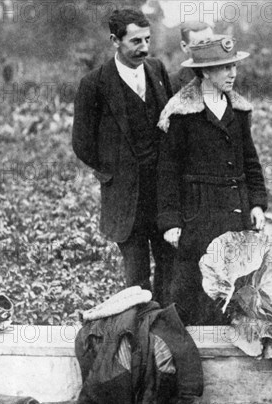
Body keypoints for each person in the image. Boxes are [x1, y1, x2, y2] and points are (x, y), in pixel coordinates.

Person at [157, 36, 268, 325]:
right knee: (197, 286)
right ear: (205, 71)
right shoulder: (181, 112)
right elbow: (167, 171)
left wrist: (257, 204)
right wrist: (170, 221)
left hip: (235, 208)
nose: (232, 73)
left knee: (235, 285)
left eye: (233, 66)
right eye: (224, 68)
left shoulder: (239, 111)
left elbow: (251, 161)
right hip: (199, 212)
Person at [72, 9, 174, 305]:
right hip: (125, 200)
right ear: (115, 40)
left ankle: (165, 336)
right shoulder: (94, 84)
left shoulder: (157, 70)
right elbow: (82, 143)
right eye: (135, 41)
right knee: (136, 282)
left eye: (147, 39)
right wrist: (115, 170)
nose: (144, 47)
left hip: (162, 195)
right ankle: (139, 338)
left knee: (169, 270)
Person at [168, 21, 213, 93]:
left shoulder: (230, 76)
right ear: (184, 47)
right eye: (200, 44)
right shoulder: (172, 83)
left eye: (209, 42)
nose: (207, 48)